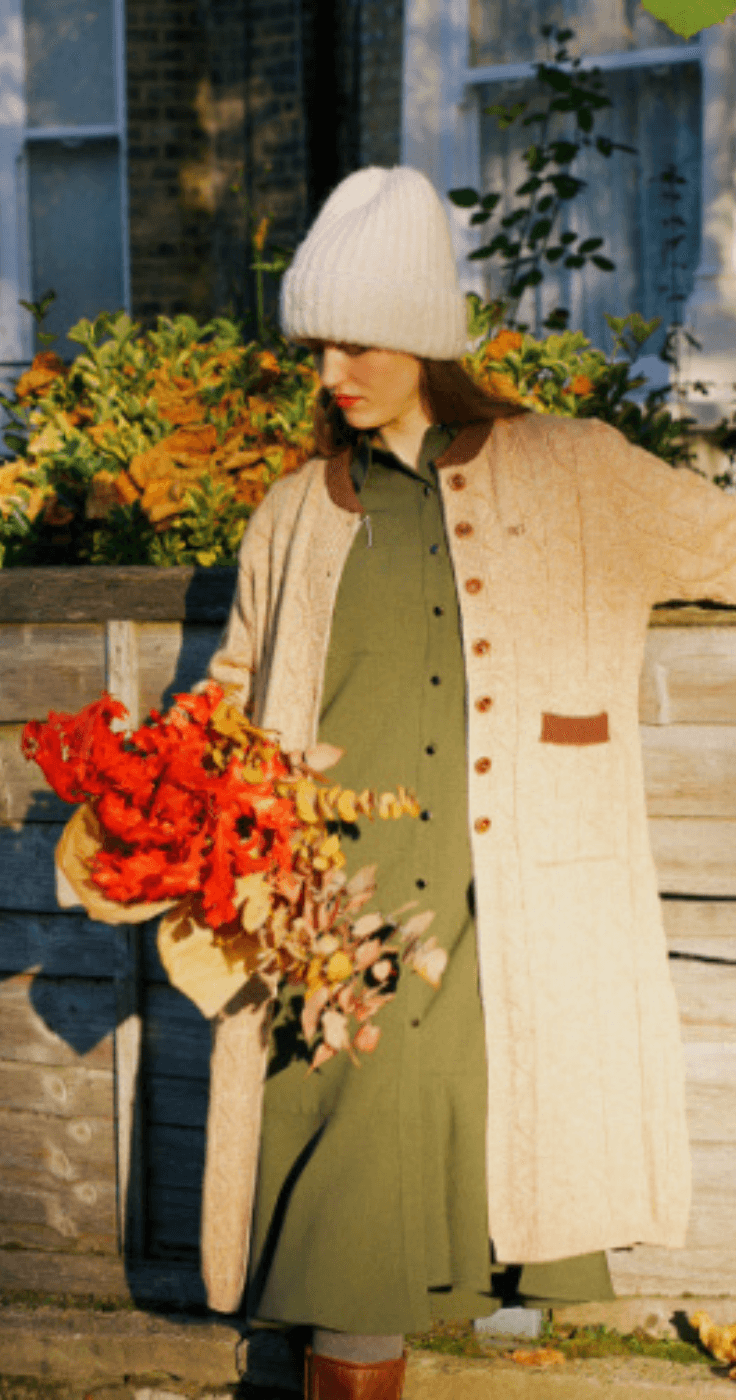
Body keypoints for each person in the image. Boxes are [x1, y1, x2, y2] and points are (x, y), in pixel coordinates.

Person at [201, 165, 736, 1400]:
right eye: (320, 340)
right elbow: (231, 693)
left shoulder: (573, 468)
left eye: (365, 336)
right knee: (345, 1238)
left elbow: (718, 543)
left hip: (521, 913)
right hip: (339, 926)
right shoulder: (293, 512)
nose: (336, 366)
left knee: (503, 1177)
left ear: (431, 336)